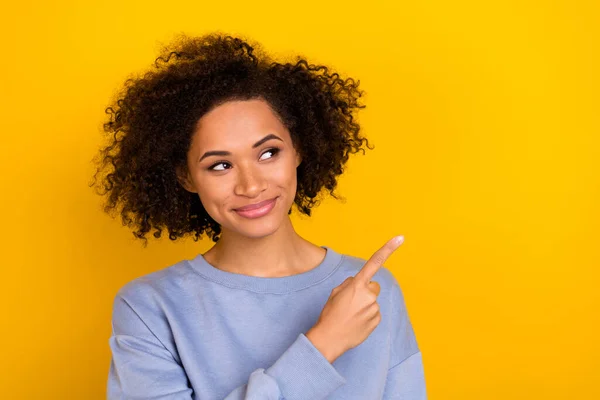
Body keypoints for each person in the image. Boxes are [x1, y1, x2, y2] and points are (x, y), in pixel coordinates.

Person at [90, 32, 427, 399]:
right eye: (220, 165)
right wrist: (323, 345)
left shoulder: (372, 292)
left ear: (298, 149)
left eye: (268, 153)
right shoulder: (149, 309)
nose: (251, 186)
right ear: (186, 177)